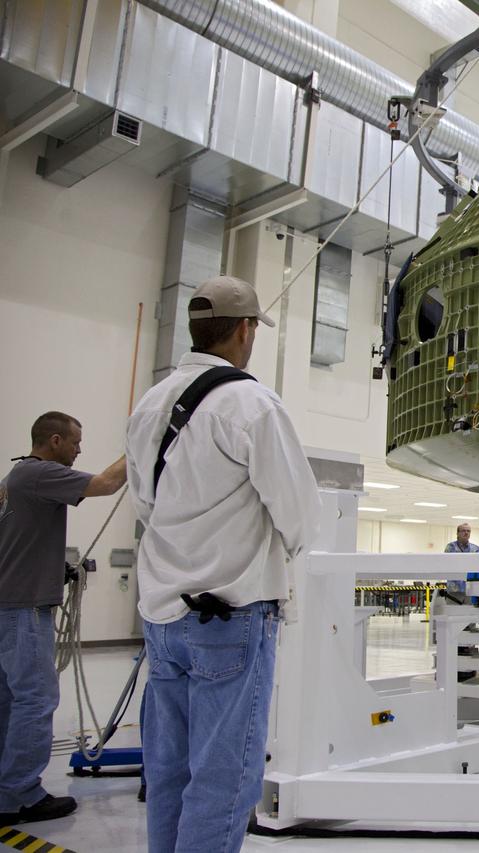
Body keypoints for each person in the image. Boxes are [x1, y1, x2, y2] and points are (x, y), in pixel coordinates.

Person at [125, 276, 321, 853]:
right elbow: (301, 513)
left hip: (162, 617)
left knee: (169, 772)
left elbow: (144, 503)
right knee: (224, 778)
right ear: (245, 329)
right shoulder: (250, 402)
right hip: (228, 619)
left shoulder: (149, 403)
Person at [0, 413, 126, 824]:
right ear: (54, 441)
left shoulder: (16, 478)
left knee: (10, 700)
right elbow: (106, 484)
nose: (78, 450)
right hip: (24, 610)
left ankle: (6, 789)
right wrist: (146, 441)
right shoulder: (41, 474)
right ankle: (21, 795)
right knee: (36, 699)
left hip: (10, 606)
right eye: (75, 443)